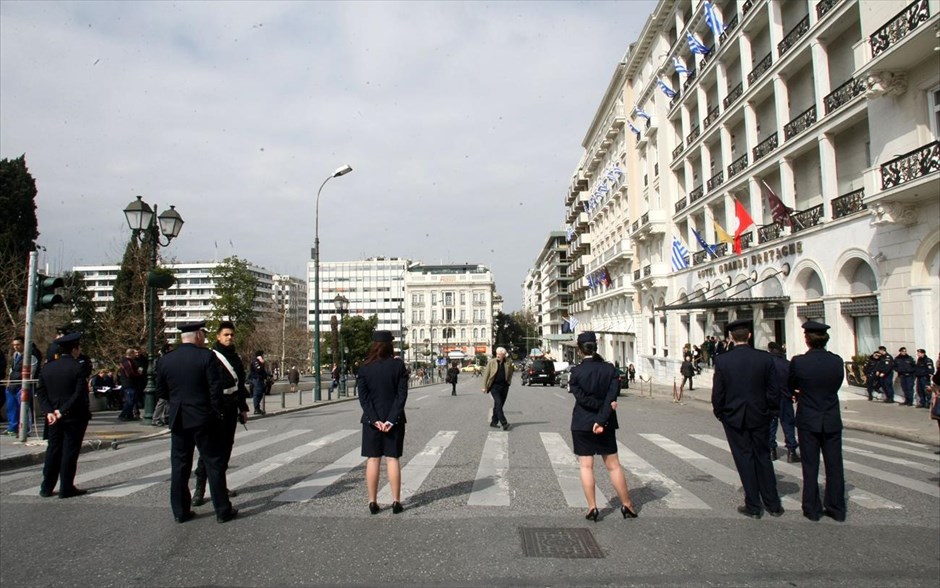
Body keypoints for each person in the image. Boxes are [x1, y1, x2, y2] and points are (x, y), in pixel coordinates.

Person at [156, 321, 237, 524]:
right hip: (203, 418)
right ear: (198, 336)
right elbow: (214, 390)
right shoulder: (206, 356)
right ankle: (222, 510)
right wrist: (217, 414)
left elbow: (161, 391)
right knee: (214, 463)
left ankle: (180, 512)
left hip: (179, 419)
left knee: (180, 466)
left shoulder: (166, 360)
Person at [711, 319, 783, 519]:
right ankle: (773, 504)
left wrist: (720, 412)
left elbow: (718, 392)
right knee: (763, 456)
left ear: (731, 338)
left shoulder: (723, 360)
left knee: (744, 458)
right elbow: (773, 389)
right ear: (749, 335)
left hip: (734, 416)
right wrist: (771, 410)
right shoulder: (765, 358)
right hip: (760, 414)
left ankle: (753, 504)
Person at [568, 331, 637, 522]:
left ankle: (592, 507)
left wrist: (595, 414)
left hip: (582, 422)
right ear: (596, 346)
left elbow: (580, 398)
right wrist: (602, 416)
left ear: (580, 350)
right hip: (605, 422)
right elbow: (612, 396)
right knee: (613, 466)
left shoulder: (576, 372)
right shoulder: (610, 370)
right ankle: (627, 504)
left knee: (586, 466)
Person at [789, 321, 846, 522]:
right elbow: (837, 383)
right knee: (835, 465)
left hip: (808, 418)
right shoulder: (837, 361)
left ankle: (812, 508)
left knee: (810, 465)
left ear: (807, 339)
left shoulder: (799, 362)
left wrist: (798, 393)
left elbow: (791, 385)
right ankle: (837, 508)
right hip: (830, 417)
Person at [192, 321, 249, 507]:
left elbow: (239, 385)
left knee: (226, 447)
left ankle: (220, 486)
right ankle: (200, 488)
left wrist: (243, 409)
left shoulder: (236, 357)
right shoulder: (210, 356)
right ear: (218, 336)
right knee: (209, 450)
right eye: (226, 334)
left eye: (231, 334)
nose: (229, 337)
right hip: (214, 406)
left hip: (231, 405)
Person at [357, 331, 408, 515]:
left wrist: (375, 419)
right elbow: (401, 396)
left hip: (372, 422)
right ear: (390, 346)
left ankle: (372, 501)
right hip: (394, 421)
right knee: (393, 459)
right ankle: (395, 501)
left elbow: (363, 399)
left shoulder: (364, 368)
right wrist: (391, 420)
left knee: (373, 459)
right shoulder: (398, 366)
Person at [35, 332, 91, 498]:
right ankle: (66, 487)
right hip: (74, 415)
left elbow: (41, 393)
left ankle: (46, 487)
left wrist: (50, 412)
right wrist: (63, 410)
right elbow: (79, 393)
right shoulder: (78, 366)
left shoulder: (48, 367)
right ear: (75, 349)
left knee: (53, 449)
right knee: (69, 451)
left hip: (52, 416)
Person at [767, 342, 800, 463]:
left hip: (770, 398)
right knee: (788, 424)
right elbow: (793, 381)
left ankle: (771, 450)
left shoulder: (767, 363)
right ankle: (791, 451)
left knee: (771, 424)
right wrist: (792, 393)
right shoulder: (787, 364)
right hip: (785, 397)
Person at [481, 347, 515, 431]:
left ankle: (493, 422)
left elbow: (511, 372)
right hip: (494, 387)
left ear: (504, 355)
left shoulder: (508, 362)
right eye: (497, 354)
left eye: (500, 354)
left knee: (498, 406)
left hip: (504, 387)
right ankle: (504, 423)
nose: (498, 356)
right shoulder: (492, 362)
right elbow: (486, 374)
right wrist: (484, 386)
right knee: (499, 404)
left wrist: (509, 382)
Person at [151, 343, 174, 427]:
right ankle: (156, 418)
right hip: (163, 383)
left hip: (167, 382)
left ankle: (166, 417)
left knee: (167, 401)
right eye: (171, 349)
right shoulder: (160, 359)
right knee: (162, 401)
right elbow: (155, 371)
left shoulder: (166, 359)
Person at [117, 349, 140, 421]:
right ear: (131, 354)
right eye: (134, 353)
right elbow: (130, 373)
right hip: (129, 383)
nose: (135, 355)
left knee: (132, 400)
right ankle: (123, 415)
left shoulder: (125, 361)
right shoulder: (127, 362)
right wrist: (138, 374)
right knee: (130, 400)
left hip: (128, 383)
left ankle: (129, 415)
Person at [249, 350, 267, 415]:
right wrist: (262, 363)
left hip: (260, 379)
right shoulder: (255, 361)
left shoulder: (259, 361)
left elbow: (263, 371)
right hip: (256, 379)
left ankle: (258, 408)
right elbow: (258, 370)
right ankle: (256, 408)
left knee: (260, 393)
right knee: (257, 393)